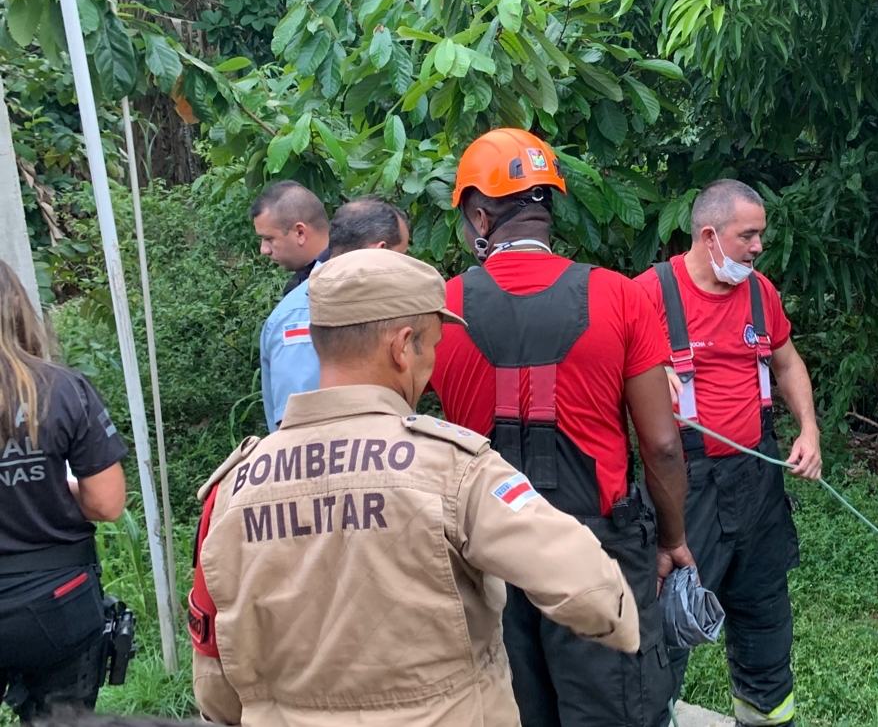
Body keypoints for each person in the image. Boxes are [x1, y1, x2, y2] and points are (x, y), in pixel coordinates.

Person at [188, 248, 638, 727]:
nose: (432, 364)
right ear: (402, 347)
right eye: (433, 345)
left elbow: (215, 683)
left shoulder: (232, 488)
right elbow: (590, 592)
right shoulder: (453, 468)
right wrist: (623, 622)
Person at [429, 128, 691, 727]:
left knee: (510, 711)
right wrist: (671, 539)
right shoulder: (621, 297)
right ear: (549, 205)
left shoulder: (440, 307)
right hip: (597, 554)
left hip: (486, 554)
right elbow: (662, 443)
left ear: (478, 214)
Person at [634, 179, 821, 727]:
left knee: (765, 620)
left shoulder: (760, 293)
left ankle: (763, 718)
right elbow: (603, 377)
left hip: (757, 485)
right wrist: (645, 377)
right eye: (749, 236)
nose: (759, 247)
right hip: (683, 486)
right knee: (667, 625)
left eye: (760, 235)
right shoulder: (647, 294)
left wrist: (808, 430)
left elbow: (786, 363)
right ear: (709, 235)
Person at [0, 260, 128, 723]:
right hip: (57, 603)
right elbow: (107, 503)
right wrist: (57, 488)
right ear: (17, 310)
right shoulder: (61, 389)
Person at [257, 197, 410, 430]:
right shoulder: (304, 314)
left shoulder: (370, 304)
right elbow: (301, 428)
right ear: (379, 252)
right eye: (402, 256)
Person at [249, 182, 329, 297]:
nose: (264, 250)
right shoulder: (300, 282)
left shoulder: (341, 281)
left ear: (300, 233)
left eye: (269, 239)